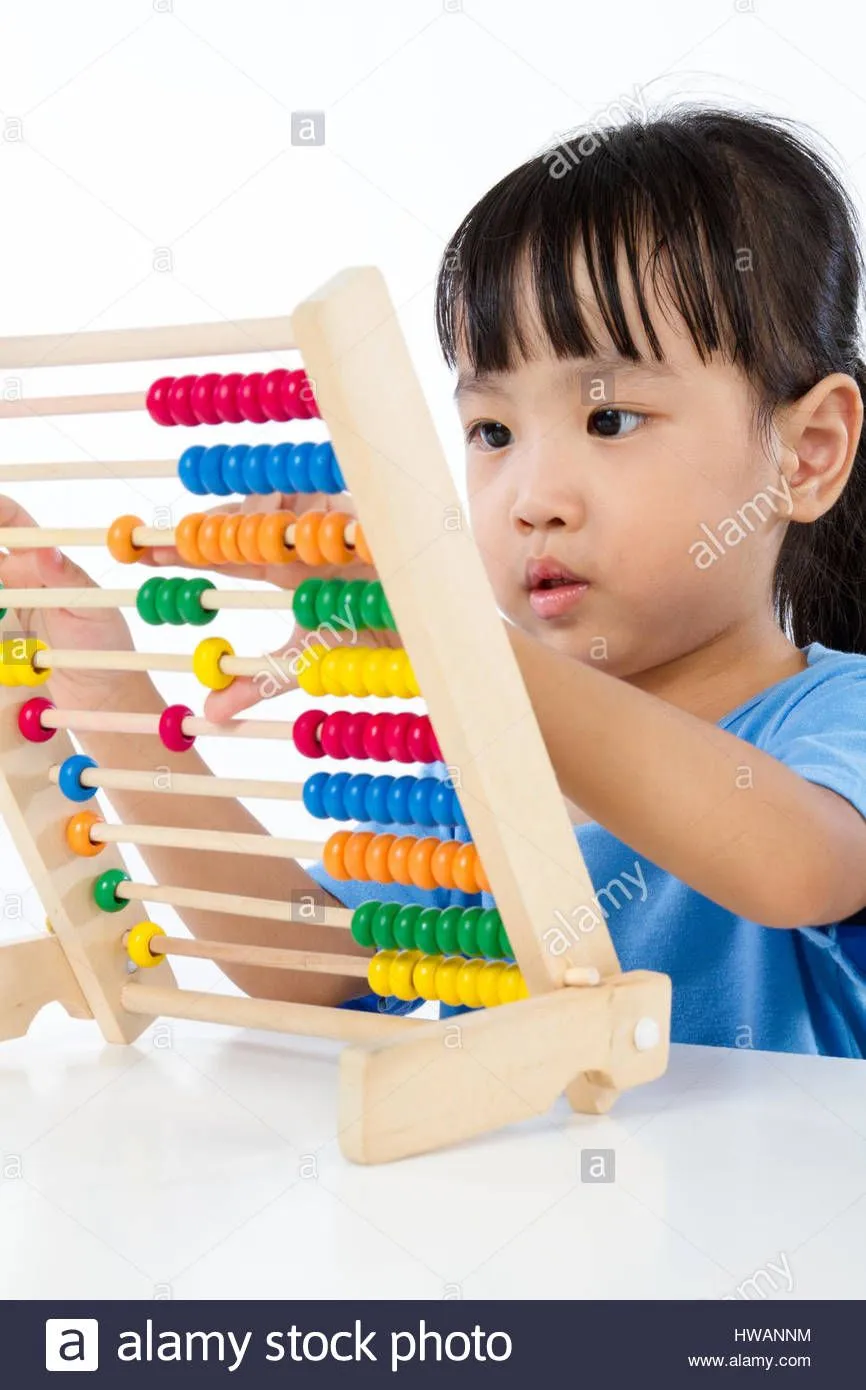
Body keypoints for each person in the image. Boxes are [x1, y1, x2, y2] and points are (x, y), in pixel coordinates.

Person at [6, 103, 866, 1053]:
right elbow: (318, 968)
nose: (533, 498)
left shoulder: (834, 723)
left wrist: (458, 646)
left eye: (611, 419)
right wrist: (111, 697)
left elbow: (791, 867)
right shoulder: (473, 761)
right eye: (492, 432)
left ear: (809, 454)